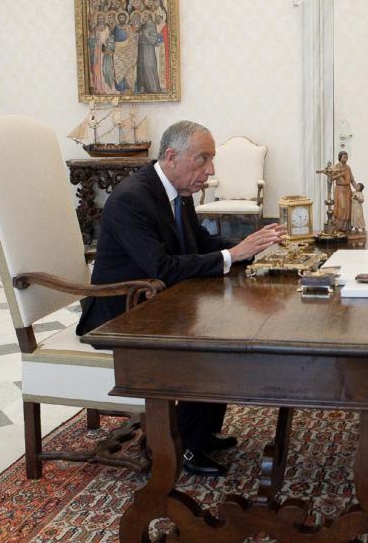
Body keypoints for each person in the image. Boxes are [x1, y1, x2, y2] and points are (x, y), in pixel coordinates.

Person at [77, 120, 285, 476]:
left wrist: (252, 247)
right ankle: (185, 445)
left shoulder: (177, 192)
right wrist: (233, 256)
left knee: (225, 323)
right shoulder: (131, 199)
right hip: (120, 312)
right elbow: (161, 267)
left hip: (156, 300)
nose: (211, 170)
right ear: (172, 156)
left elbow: (201, 245)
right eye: (202, 160)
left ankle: (200, 433)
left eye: (211, 160)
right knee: (206, 338)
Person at [330, 151, 356, 232]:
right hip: (340, 189)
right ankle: (339, 227)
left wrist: (357, 188)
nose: (345, 159)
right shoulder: (336, 166)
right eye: (343, 157)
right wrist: (340, 174)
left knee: (348, 208)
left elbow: (351, 179)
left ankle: (346, 227)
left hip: (347, 189)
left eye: (346, 157)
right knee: (342, 207)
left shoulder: (348, 167)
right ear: (340, 157)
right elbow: (331, 177)